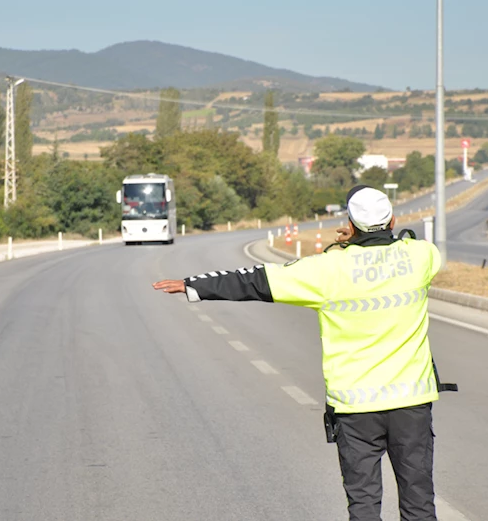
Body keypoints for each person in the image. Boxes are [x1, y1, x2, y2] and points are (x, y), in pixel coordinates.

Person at [153, 185, 455, 521]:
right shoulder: (421, 256)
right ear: (392, 220)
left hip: (356, 409)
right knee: (419, 505)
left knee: (364, 505)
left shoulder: (327, 269)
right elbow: (406, 246)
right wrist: (358, 242)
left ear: (350, 225)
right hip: (411, 406)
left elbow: (255, 281)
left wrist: (194, 284)